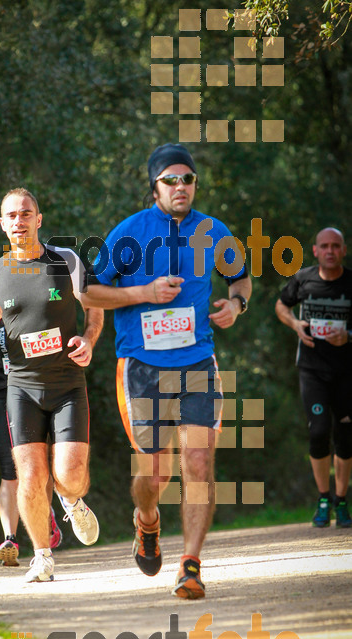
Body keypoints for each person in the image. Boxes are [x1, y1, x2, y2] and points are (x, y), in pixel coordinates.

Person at [82, 143, 252, 599]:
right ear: (154, 186)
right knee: (154, 476)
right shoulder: (129, 234)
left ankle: (191, 565)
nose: (181, 187)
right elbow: (89, 294)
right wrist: (143, 293)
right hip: (141, 365)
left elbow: (241, 277)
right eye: (170, 180)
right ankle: (147, 522)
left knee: (198, 462)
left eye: (188, 179)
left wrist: (236, 304)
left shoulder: (213, 231)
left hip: (197, 359)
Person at [0, 187, 104, 582]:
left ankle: (71, 497)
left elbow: (95, 307)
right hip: (21, 387)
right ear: (1, 223)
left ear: (39, 219)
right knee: (29, 475)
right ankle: (42, 556)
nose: (19, 221)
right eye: (11, 215)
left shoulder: (66, 261)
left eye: (26, 213)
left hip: (66, 384)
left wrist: (89, 340)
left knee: (70, 473)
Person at [0, 336, 63, 566]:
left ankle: (45, 520)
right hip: (3, 394)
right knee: (9, 470)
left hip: (34, 391)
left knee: (37, 466)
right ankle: (10, 540)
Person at [275, 227, 352, 528]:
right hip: (312, 370)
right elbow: (281, 305)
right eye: (325, 246)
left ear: (343, 250)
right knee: (319, 431)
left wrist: (348, 336)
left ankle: (341, 501)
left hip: (347, 372)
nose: (330, 251)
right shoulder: (303, 279)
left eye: (336, 246)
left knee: (345, 438)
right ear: (315, 250)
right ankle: (323, 498)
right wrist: (295, 324)